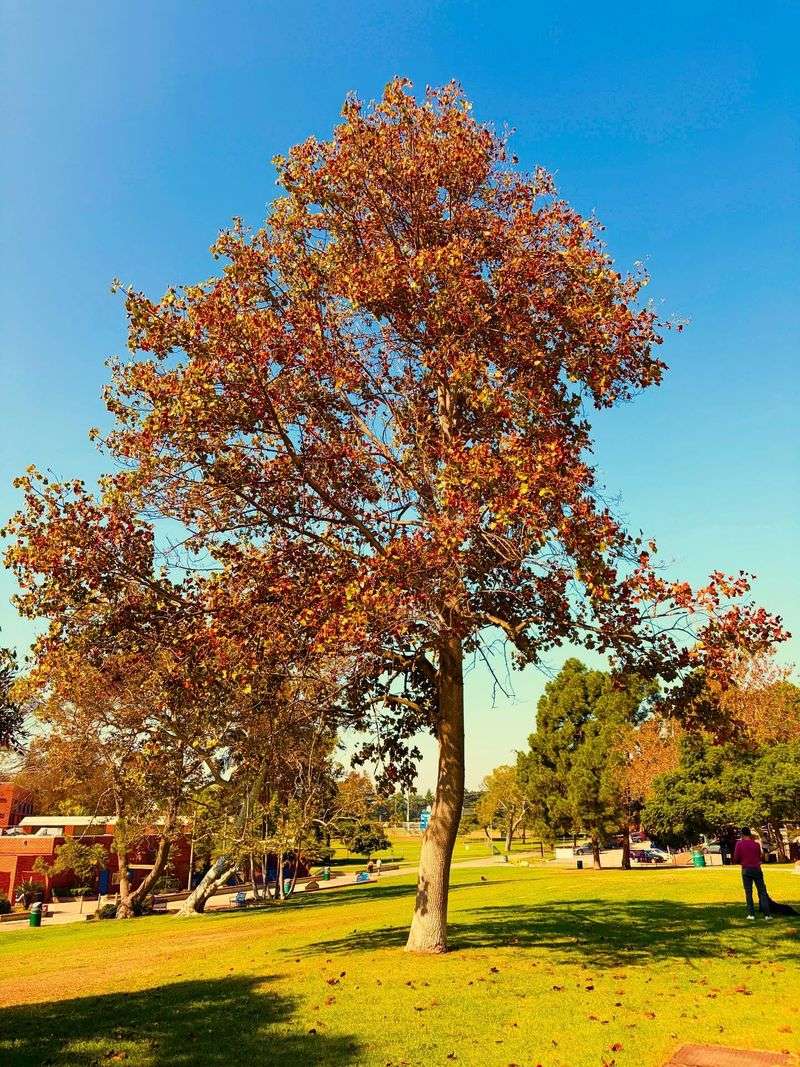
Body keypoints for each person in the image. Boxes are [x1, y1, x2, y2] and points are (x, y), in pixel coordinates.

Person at [733, 827, 771, 921]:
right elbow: (759, 856)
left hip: (746, 869)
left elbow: (736, 857)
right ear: (749, 834)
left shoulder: (739, 844)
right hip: (757, 869)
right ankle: (767, 914)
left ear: (742, 834)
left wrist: (740, 861)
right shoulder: (756, 844)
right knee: (762, 892)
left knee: (748, 892)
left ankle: (751, 914)